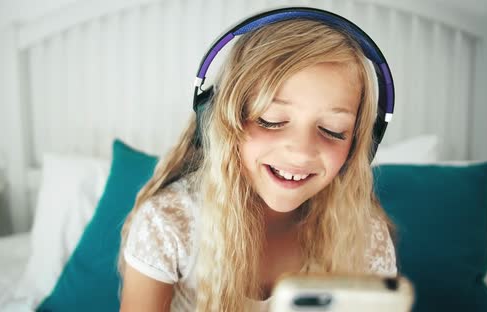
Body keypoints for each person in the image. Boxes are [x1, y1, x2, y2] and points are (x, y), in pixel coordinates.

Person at [118, 15, 396, 312]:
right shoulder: (169, 225)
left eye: (332, 130)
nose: (302, 153)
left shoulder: (365, 238)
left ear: (358, 146)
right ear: (221, 122)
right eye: (270, 120)